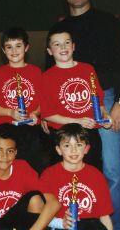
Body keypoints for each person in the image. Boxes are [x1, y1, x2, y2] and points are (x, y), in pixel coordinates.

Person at [46, 0, 120, 230]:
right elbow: (47, 75)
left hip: (103, 100)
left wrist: (119, 101)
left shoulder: (109, 22)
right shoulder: (59, 30)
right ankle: (74, 228)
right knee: (76, 168)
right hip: (68, 105)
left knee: (112, 169)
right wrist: (45, 116)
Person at [0, 123, 60, 230]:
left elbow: (54, 203)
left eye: (10, 151)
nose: (4, 156)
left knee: (36, 199)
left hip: (16, 223)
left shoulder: (22, 168)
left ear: (16, 152)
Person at [42, 27, 111, 170]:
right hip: (63, 135)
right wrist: (77, 121)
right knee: (62, 179)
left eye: (67, 43)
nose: (63, 47)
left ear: (73, 46)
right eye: (57, 44)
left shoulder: (88, 69)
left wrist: (105, 116)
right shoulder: (46, 77)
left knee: (92, 174)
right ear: (49, 51)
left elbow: (99, 102)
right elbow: (48, 115)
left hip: (89, 134)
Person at [41, 124, 115, 230]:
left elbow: (104, 216)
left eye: (79, 145)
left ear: (86, 149)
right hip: (62, 226)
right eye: (67, 145)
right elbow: (41, 215)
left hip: (92, 225)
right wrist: (61, 222)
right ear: (58, 150)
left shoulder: (96, 176)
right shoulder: (48, 175)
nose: (73, 150)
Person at [0, 27, 43, 172]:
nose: (14, 51)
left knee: (32, 170)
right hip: (6, 129)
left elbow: (42, 104)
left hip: (31, 129)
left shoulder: (36, 72)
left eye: (18, 46)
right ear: (3, 50)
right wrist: (10, 112)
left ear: (26, 48)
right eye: (9, 47)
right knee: (7, 171)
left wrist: (35, 114)